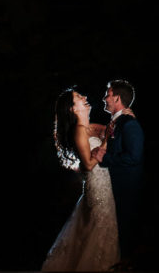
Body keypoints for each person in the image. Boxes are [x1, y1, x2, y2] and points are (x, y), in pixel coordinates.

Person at [42, 87, 120, 271]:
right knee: (101, 230)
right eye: (78, 97)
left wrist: (121, 116)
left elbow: (112, 130)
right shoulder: (79, 131)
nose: (84, 97)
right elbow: (88, 164)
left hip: (107, 186)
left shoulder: (91, 127)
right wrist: (107, 140)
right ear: (72, 109)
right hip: (98, 190)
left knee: (105, 231)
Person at [94, 80, 144, 266]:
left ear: (116, 98)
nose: (104, 98)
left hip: (126, 189)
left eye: (107, 94)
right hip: (112, 188)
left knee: (126, 236)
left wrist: (104, 158)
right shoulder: (116, 123)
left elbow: (134, 157)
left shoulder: (129, 124)